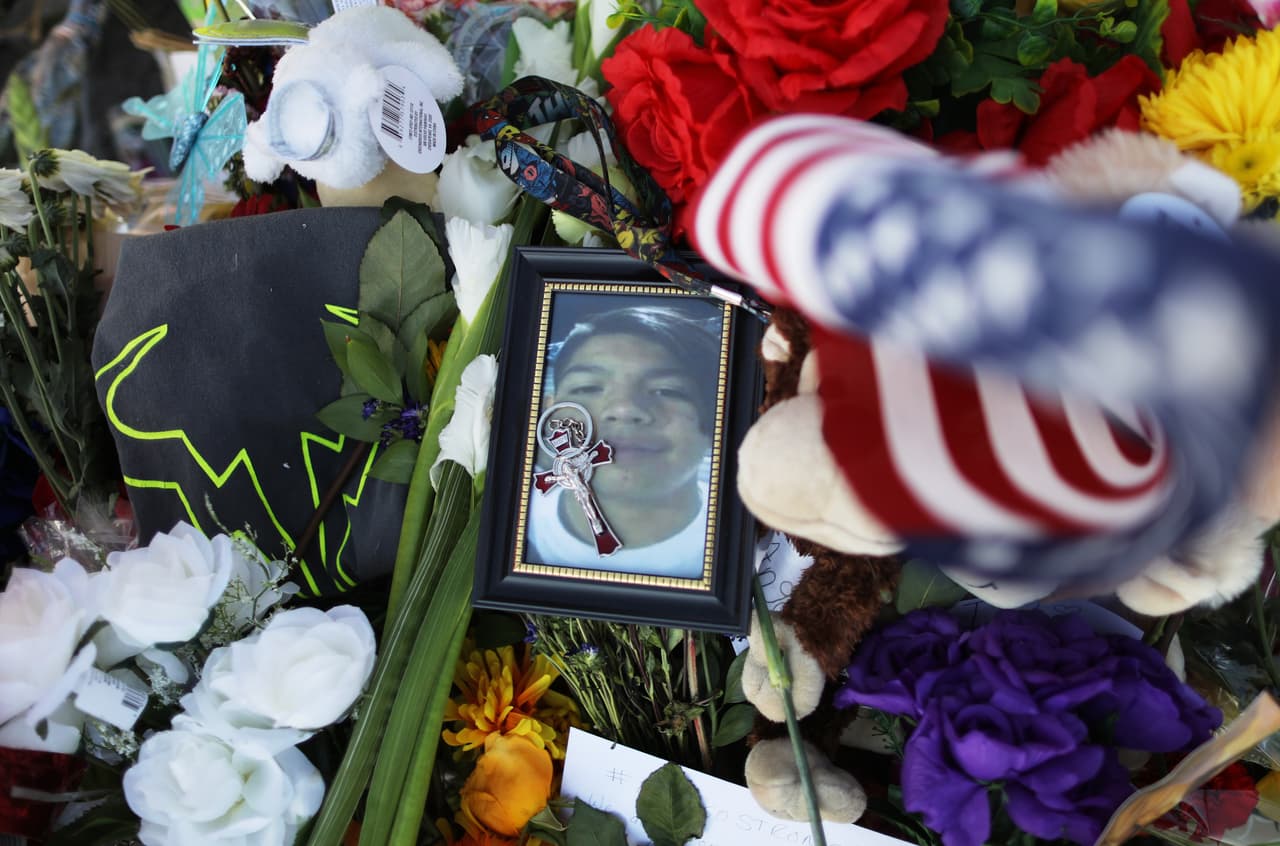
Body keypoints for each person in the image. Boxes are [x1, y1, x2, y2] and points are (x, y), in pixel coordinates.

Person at [526, 303, 721, 579]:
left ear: (716, 416)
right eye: (587, 387)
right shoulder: (511, 525)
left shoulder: (749, 550)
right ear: (549, 412)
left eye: (667, 390)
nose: (624, 409)